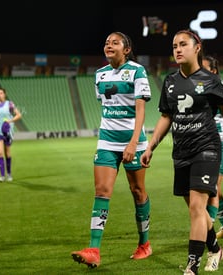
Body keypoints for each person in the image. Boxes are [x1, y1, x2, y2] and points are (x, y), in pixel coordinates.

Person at [140, 29, 223, 275]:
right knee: (196, 208)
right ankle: (215, 248)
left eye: (183, 44)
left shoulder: (212, 81)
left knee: (196, 209)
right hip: (181, 152)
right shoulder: (169, 82)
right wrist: (150, 146)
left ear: (197, 47)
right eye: (174, 46)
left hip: (207, 149)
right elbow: (166, 117)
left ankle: (192, 266)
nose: (177, 49)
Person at [71, 31, 152, 269]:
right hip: (106, 140)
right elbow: (107, 106)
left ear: (126, 49)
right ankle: (94, 250)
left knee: (137, 191)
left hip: (132, 140)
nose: (109, 45)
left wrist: (133, 142)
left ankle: (144, 244)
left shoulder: (138, 71)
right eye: (106, 42)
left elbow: (140, 111)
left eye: (114, 42)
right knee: (102, 190)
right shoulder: (99, 74)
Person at [202, 55, 223, 239]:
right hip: (200, 144)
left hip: (220, 142)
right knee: (212, 189)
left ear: (213, 71)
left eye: (204, 68)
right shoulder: (195, 87)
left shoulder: (222, 90)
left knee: (212, 187)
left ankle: (207, 232)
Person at [0, 88, 22, 182]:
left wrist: (10, 121)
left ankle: (9, 174)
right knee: (0, 152)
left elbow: (19, 115)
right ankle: (2, 176)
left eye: (1, 93)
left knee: (7, 153)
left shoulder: (10, 104)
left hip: (7, 131)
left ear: (4, 94)